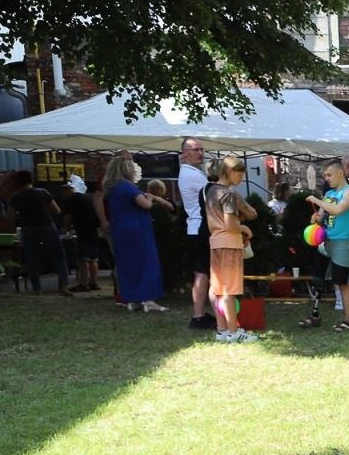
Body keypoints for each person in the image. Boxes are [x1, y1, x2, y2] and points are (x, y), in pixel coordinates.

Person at [101, 154, 172, 312]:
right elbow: (145, 205)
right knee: (145, 262)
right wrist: (152, 199)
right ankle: (148, 299)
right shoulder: (128, 186)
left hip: (120, 229)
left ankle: (133, 299)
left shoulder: (112, 188)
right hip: (136, 228)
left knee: (128, 263)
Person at [301, 156, 349, 331]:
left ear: (340, 173)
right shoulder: (329, 194)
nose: (326, 178)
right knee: (317, 278)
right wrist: (316, 218)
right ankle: (314, 315)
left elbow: (338, 209)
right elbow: (323, 216)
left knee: (343, 282)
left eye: (329, 175)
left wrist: (316, 200)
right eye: (325, 175)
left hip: (343, 242)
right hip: (326, 241)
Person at [206, 156, 258, 343]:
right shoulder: (228, 194)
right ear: (229, 172)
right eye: (240, 173)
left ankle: (222, 330)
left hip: (216, 243)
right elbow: (230, 224)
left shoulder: (211, 191)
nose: (242, 177)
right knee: (230, 290)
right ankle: (233, 331)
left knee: (219, 289)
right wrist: (243, 228)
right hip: (230, 243)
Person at [8, 171, 71, 295]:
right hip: (47, 226)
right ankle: (63, 286)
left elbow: (14, 214)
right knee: (59, 257)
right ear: (31, 180)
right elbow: (57, 210)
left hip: (28, 228)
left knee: (32, 260)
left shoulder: (15, 197)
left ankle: (37, 289)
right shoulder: (42, 193)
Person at [176, 136, 216, 329]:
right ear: (185, 154)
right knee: (202, 272)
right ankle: (198, 315)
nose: (200, 153)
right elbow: (214, 197)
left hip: (198, 227)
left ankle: (200, 314)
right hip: (200, 227)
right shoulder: (191, 175)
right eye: (196, 150)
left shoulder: (192, 173)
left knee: (204, 272)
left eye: (202, 149)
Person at [63, 176, 103, 292]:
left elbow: (68, 216)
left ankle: (84, 284)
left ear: (71, 188)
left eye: (66, 189)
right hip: (93, 230)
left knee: (83, 258)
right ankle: (94, 282)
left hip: (83, 231)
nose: (64, 192)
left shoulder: (72, 199)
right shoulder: (87, 198)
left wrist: (65, 227)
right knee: (93, 258)